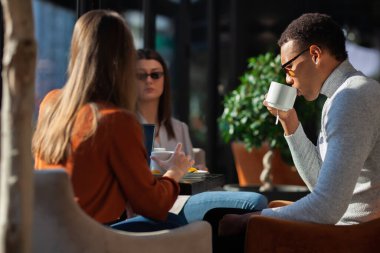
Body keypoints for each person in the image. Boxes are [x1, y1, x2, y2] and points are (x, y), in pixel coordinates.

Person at [32, 10, 267, 235]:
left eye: (156, 74)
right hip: (96, 236)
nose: (148, 81)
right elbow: (153, 205)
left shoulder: (51, 104)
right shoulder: (116, 121)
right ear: (124, 60)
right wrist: (175, 171)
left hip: (51, 235)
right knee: (196, 228)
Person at [219, 12, 380, 236]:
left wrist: (254, 219)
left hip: (348, 239)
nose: (287, 79)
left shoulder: (351, 97)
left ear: (314, 54)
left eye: (289, 67)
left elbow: (326, 208)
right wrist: (289, 122)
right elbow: (321, 187)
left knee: (231, 222)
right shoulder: (342, 96)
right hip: (343, 232)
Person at [135, 48, 195, 163]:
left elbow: (190, 170)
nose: (149, 80)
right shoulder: (125, 126)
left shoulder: (180, 128)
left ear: (165, 79)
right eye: (141, 75)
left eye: (155, 75)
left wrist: (198, 170)